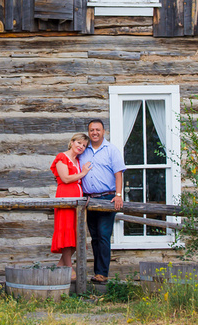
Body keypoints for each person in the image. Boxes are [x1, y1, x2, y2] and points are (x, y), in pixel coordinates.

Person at [79, 119, 125, 283]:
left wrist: (118, 194)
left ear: (103, 131)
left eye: (97, 130)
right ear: (89, 132)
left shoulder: (111, 150)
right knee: (95, 237)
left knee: (104, 235)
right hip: (89, 199)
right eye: (91, 130)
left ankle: (102, 273)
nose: (95, 133)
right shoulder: (84, 151)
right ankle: (97, 272)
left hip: (107, 198)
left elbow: (118, 173)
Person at [50, 133, 92, 279]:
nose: (81, 146)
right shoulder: (62, 157)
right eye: (79, 143)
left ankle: (59, 268)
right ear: (72, 142)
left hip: (77, 203)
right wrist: (83, 173)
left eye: (84, 145)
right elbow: (66, 179)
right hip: (66, 198)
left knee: (76, 235)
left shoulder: (78, 160)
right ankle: (69, 268)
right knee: (67, 233)